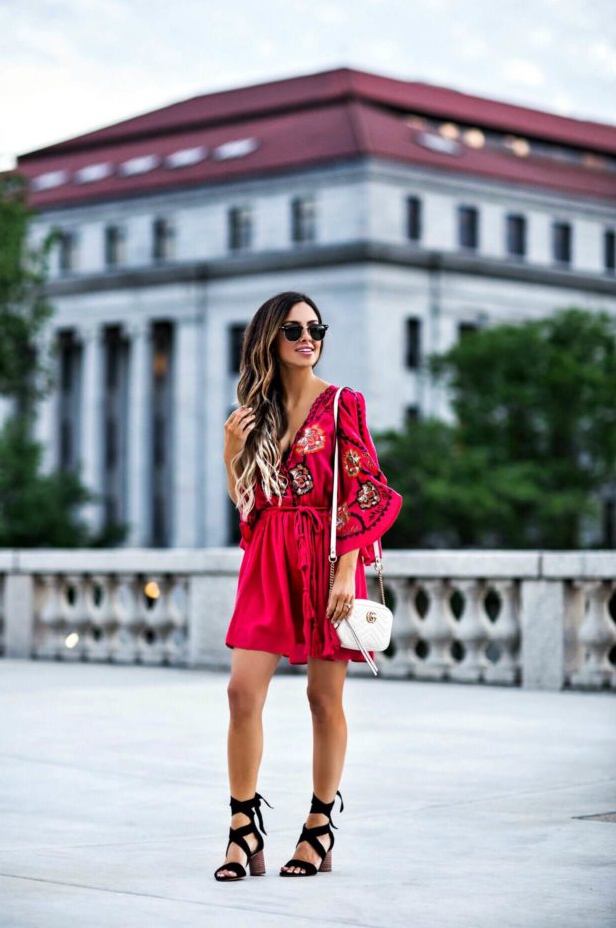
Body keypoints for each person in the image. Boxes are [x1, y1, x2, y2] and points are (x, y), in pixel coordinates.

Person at [214, 291, 403, 881]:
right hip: (269, 555)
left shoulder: (344, 403)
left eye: (315, 327)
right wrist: (230, 452)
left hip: (327, 560)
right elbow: (248, 503)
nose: (308, 336)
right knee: (241, 694)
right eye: (294, 328)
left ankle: (319, 827)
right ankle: (243, 828)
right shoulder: (256, 413)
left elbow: (365, 489)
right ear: (269, 337)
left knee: (324, 700)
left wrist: (347, 568)